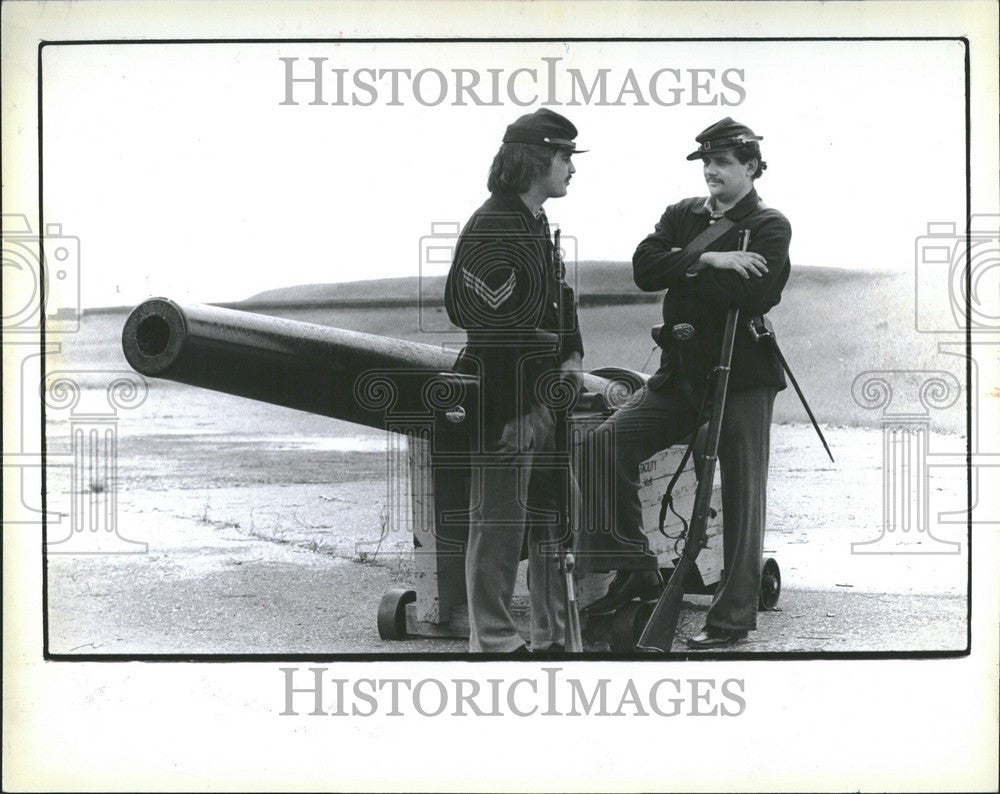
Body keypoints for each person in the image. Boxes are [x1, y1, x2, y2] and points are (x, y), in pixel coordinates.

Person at [576, 117, 791, 648]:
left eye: (723, 163)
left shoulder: (769, 225)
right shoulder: (683, 214)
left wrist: (683, 267)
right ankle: (634, 567)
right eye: (707, 163)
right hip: (680, 374)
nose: (712, 172)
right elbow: (644, 269)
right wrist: (712, 258)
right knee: (603, 446)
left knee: (740, 495)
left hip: (741, 377)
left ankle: (732, 619)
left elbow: (755, 295)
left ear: (751, 167)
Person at [444, 108, 585, 654]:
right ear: (536, 160)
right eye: (566, 156)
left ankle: (552, 635)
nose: (572, 168)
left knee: (556, 513)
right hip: (507, 400)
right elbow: (491, 328)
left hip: (543, 397)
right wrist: (523, 412)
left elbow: (558, 300)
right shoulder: (496, 225)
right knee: (499, 525)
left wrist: (571, 355)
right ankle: (496, 641)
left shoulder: (532, 221)